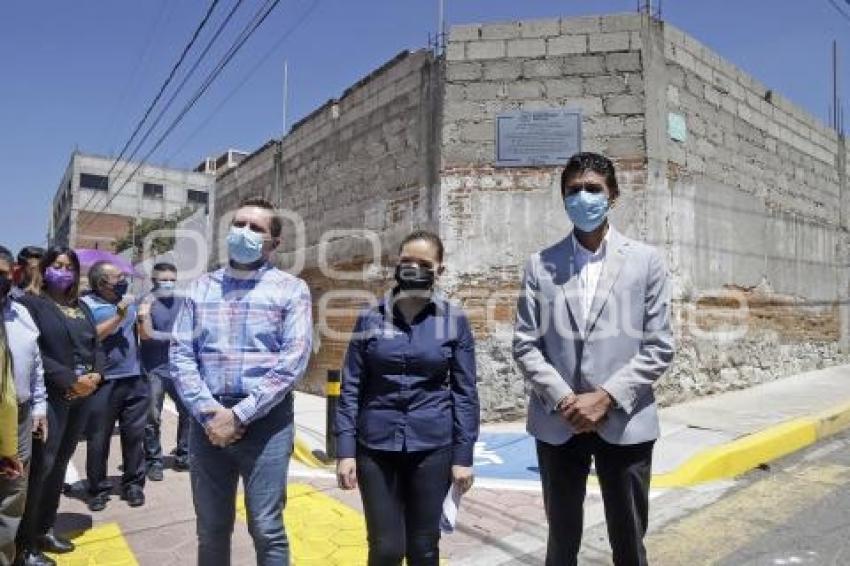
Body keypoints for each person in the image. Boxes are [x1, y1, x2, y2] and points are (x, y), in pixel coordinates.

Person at [512, 152, 675, 566]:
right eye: (573, 190)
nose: (583, 197)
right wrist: (566, 399)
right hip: (558, 421)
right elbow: (526, 344)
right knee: (561, 542)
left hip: (625, 419)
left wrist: (605, 397)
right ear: (563, 198)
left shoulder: (646, 261)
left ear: (613, 195)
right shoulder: (540, 265)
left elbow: (659, 346)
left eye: (593, 189)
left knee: (629, 541)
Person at [171, 197, 313, 566]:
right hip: (207, 421)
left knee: (267, 527)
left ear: (274, 243)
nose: (244, 233)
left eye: (256, 228)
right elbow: (182, 355)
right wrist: (209, 414)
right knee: (211, 528)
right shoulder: (199, 289)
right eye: (239, 224)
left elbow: (292, 361)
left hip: (267, 422)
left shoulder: (291, 290)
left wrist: (240, 416)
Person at [335, 230, 480, 566]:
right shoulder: (370, 318)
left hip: (433, 447)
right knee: (386, 548)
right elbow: (351, 387)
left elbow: (465, 392)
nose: (414, 268)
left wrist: (463, 455)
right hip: (375, 447)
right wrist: (344, 451)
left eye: (423, 263)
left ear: (439, 269)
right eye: (406, 261)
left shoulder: (452, 321)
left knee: (424, 547)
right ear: (396, 265)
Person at [16, 247, 103, 566]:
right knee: (42, 467)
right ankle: (24, 545)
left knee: (61, 464)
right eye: (57, 265)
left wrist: (97, 374)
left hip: (82, 397)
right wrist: (69, 380)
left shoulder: (81, 307)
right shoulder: (31, 304)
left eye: (69, 267)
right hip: (51, 397)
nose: (63, 271)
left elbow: (96, 345)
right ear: (45, 268)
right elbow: (34, 352)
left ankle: (44, 529)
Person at [81, 261, 147, 512]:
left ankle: (133, 484)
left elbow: (142, 335)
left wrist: (141, 317)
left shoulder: (129, 302)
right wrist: (118, 316)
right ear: (101, 283)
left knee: (134, 436)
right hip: (103, 381)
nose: (122, 280)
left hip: (134, 378)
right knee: (99, 438)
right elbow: (89, 337)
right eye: (117, 277)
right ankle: (97, 488)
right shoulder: (87, 305)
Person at [0, 247, 47, 566]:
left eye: (3, 274)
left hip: (18, 417)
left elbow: (36, 365)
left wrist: (40, 407)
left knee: (12, 494)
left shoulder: (22, 314)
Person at [140, 262, 190, 481]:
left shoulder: (182, 301)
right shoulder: (145, 303)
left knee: (189, 413)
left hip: (180, 368)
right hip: (154, 370)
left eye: (172, 279)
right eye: (164, 279)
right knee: (152, 417)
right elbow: (145, 335)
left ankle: (184, 455)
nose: (168, 283)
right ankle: (153, 461)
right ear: (153, 280)